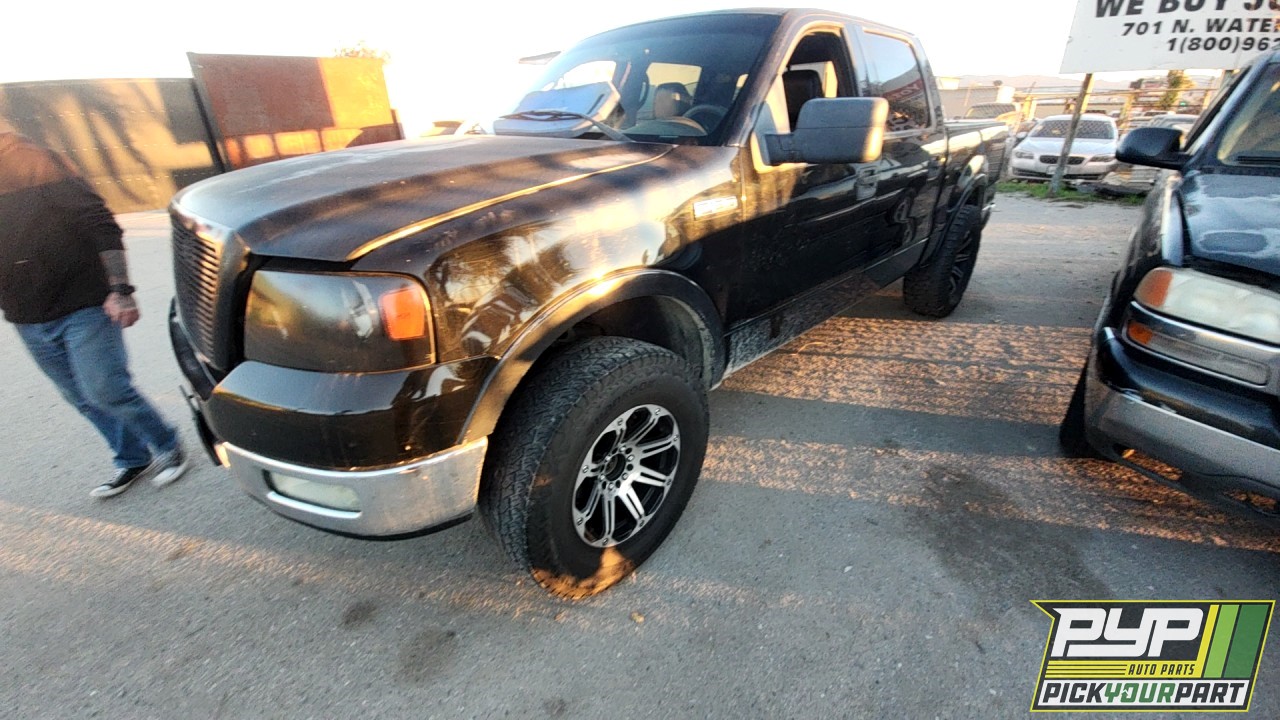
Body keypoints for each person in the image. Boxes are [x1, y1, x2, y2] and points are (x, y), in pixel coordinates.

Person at [0, 124, 187, 498]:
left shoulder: (37, 165)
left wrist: (121, 290)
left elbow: (102, 227)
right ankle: (132, 458)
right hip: (26, 316)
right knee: (80, 397)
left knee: (105, 389)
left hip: (84, 304)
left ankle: (168, 446)